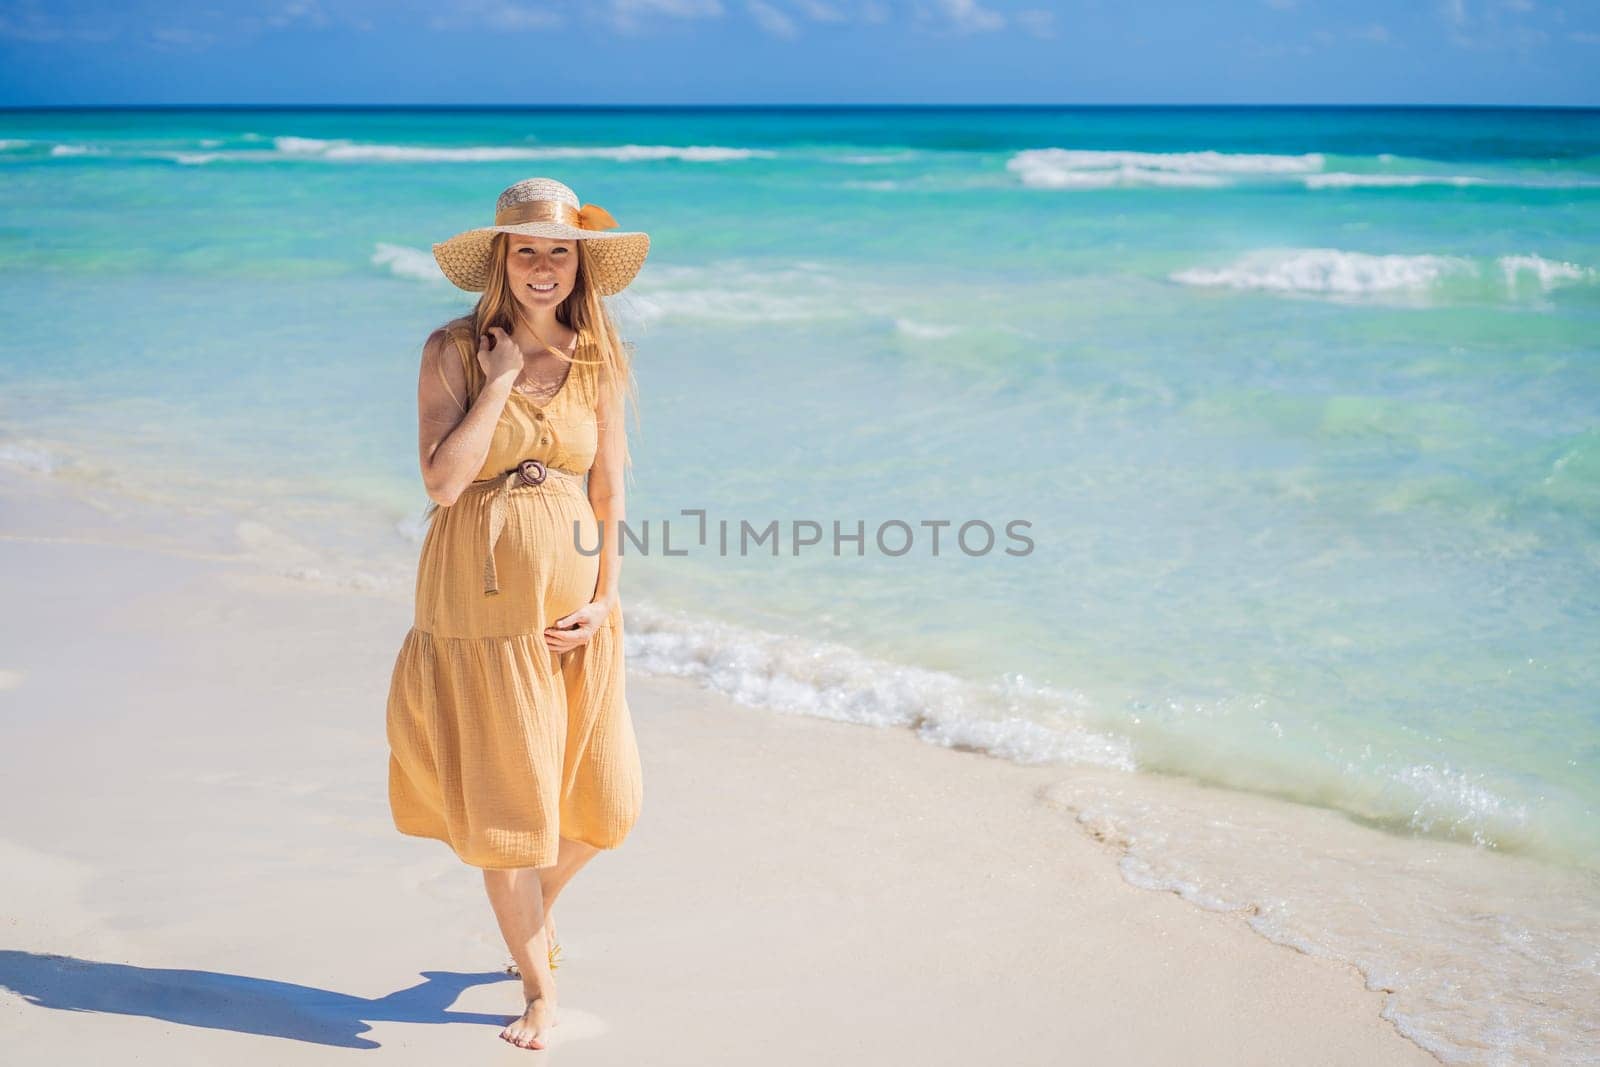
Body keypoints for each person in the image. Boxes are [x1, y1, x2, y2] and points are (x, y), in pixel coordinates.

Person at [384, 176, 649, 1051]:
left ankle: (535, 910)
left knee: (606, 806)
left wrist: (609, 597)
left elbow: (609, 486)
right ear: (501, 258)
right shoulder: (453, 350)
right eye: (526, 249)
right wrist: (498, 381)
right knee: (509, 809)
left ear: (581, 261)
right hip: (478, 608)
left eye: (559, 251)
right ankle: (539, 987)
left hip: (573, 608)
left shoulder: (603, 355)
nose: (543, 266)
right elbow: (443, 480)